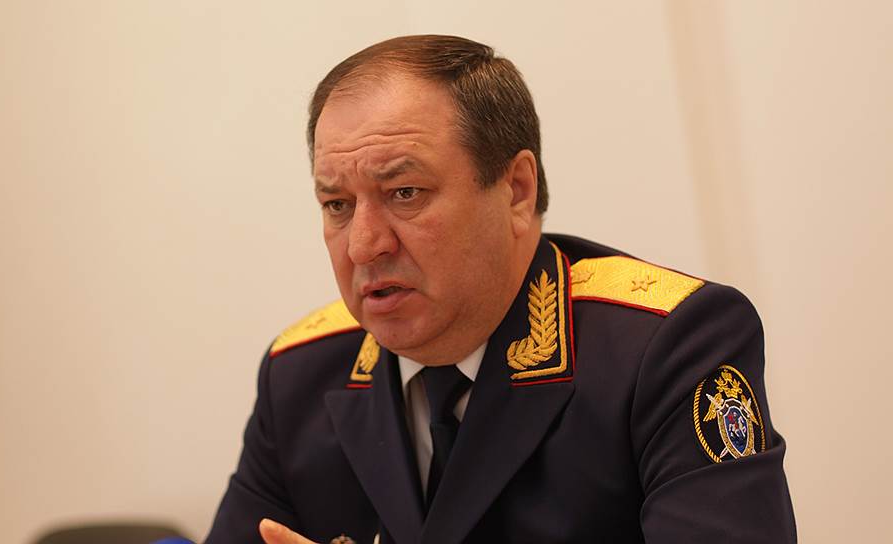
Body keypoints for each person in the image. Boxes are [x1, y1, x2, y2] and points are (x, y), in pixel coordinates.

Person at [205, 35, 796, 544]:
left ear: (516, 190)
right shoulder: (300, 374)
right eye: (337, 204)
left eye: (405, 193)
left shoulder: (664, 349)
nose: (363, 246)